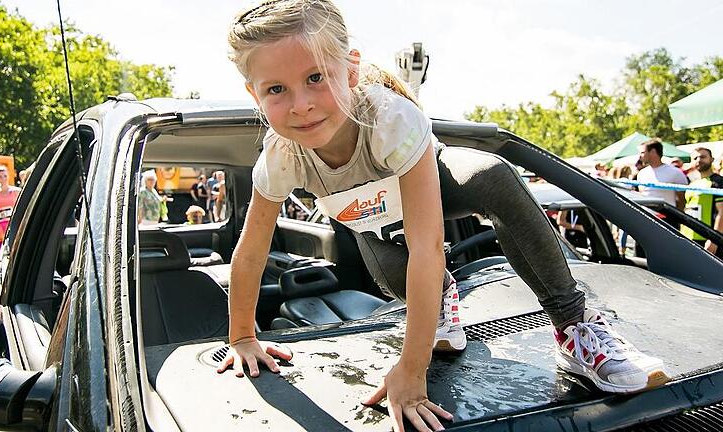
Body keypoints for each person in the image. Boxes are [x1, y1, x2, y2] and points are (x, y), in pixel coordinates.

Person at [219, 2, 669, 430]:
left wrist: (411, 370)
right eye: (276, 89)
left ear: (351, 69)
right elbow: (252, 249)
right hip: (368, 219)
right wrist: (242, 336)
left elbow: (427, 245)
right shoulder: (282, 156)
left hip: (432, 182)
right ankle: (439, 304)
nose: (301, 104)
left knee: (492, 175)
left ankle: (575, 327)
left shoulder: (388, 118)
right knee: (403, 278)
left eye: (317, 77)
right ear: (254, 94)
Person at [681, 147, 723, 257]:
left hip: (709, 240)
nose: (699, 160)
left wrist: (714, 239)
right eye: (695, 158)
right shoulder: (692, 184)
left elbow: (722, 212)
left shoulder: (719, 182)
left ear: (712, 159)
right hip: (690, 238)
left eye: (703, 157)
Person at [637, 139, 688, 209]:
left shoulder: (675, 172)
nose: (639, 156)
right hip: (646, 217)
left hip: (668, 217)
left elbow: (682, 200)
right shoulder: (641, 173)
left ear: (653, 152)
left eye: (642, 152)